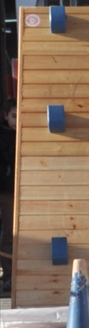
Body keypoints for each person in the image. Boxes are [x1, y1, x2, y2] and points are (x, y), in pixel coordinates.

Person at [0, 98, 15, 295]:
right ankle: (9, 275)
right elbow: (9, 157)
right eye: (13, 116)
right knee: (9, 235)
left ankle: (11, 275)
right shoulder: (3, 135)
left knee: (12, 234)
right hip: (6, 188)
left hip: (15, 190)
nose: (16, 120)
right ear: (5, 115)